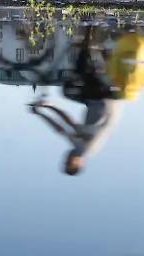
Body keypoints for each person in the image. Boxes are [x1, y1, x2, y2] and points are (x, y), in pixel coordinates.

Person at [29, 26, 122, 176]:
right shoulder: (84, 149)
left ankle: (92, 46)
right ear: (79, 162)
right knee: (76, 79)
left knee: (71, 91)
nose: (66, 157)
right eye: (69, 162)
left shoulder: (85, 142)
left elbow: (68, 121)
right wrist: (39, 113)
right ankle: (89, 43)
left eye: (64, 161)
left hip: (105, 103)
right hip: (101, 102)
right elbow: (60, 129)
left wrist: (49, 107)